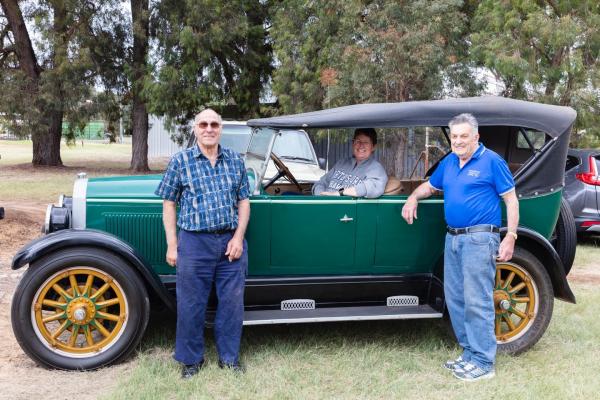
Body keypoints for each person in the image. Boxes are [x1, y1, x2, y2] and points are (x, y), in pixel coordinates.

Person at [401, 113, 519, 382]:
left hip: (479, 238)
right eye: (454, 136)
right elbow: (430, 187)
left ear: (476, 137)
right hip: (452, 238)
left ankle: (483, 362)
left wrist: (510, 235)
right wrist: (412, 198)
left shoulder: (492, 161)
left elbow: (511, 200)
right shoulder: (450, 163)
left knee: (477, 301)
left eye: (463, 136)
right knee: (456, 299)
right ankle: (469, 354)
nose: (458, 141)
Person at [155, 108, 250, 379]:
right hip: (194, 242)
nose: (209, 129)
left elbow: (244, 201)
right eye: (203, 124)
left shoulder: (234, 160)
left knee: (232, 304)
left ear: (221, 129)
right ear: (195, 129)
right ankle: (191, 361)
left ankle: (229, 359)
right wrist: (172, 245)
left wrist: (238, 237)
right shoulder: (180, 161)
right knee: (191, 303)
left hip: (230, 243)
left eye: (214, 124)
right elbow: (169, 203)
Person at [312, 128, 388, 198]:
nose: (361, 145)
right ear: (353, 143)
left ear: (373, 147)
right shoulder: (342, 163)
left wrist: (339, 193)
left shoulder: (376, 168)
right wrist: (320, 196)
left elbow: (371, 188)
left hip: (348, 210)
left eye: (366, 142)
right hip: (323, 205)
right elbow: (320, 183)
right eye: (358, 141)